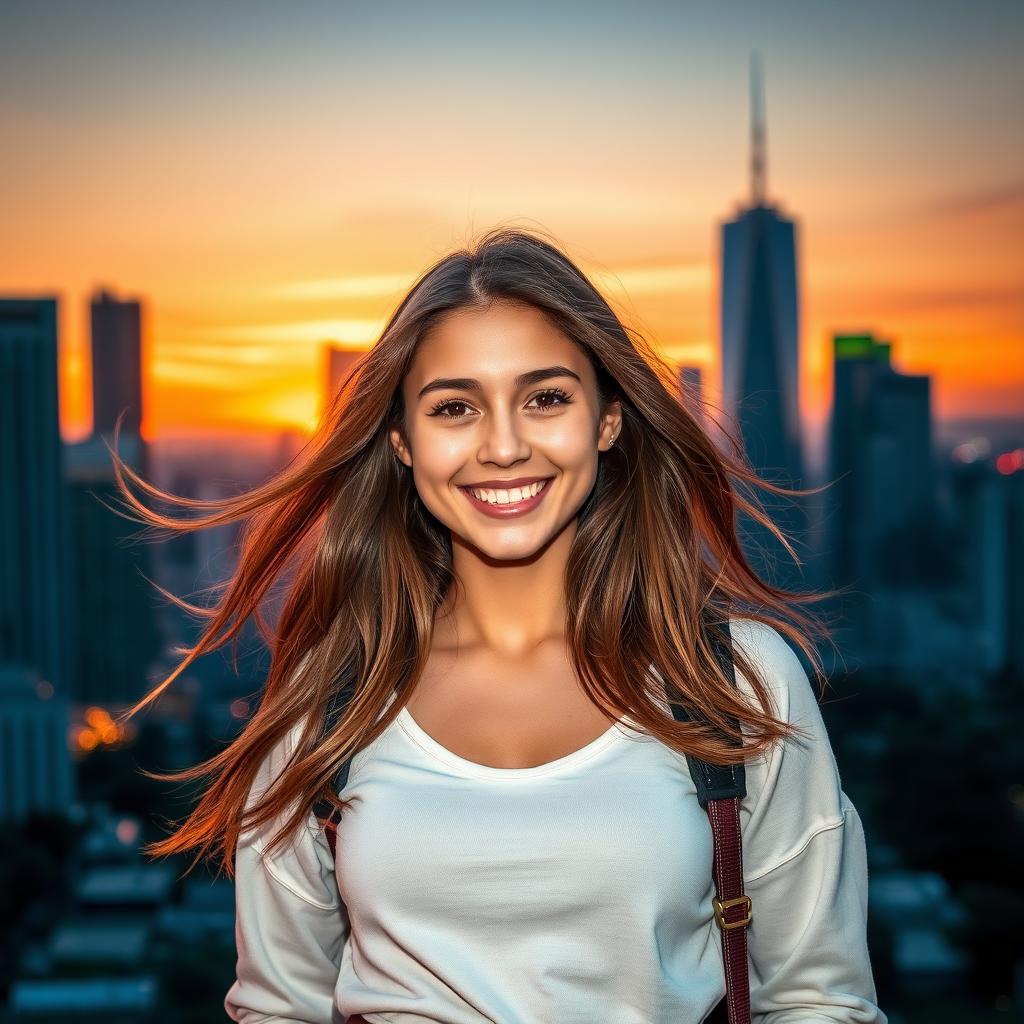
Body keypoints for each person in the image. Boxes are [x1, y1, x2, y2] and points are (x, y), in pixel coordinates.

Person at [114, 227, 887, 1022]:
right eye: (455, 407)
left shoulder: (734, 676)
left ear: (608, 421)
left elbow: (820, 998)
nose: (505, 445)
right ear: (402, 442)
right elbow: (279, 1008)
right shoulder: (327, 700)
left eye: (545, 398)